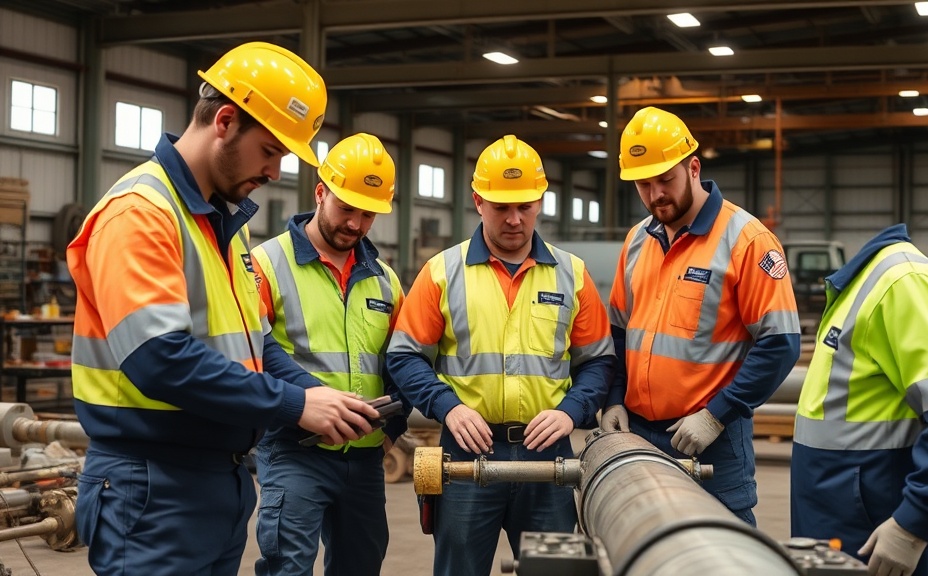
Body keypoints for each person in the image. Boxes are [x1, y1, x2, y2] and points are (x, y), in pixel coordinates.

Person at [67, 42, 380, 576]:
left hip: (219, 481)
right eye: (271, 151)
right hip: (152, 484)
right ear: (226, 121)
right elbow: (158, 357)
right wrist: (292, 406)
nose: (277, 171)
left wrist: (314, 393)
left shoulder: (224, 227)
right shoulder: (142, 212)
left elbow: (256, 346)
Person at [387, 134, 615, 575]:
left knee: (551, 571)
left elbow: (599, 361)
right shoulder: (442, 272)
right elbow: (404, 357)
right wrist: (447, 407)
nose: (514, 220)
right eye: (500, 207)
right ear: (477, 201)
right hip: (468, 453)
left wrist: (571, 411)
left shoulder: (573, 275)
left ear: (540, 202)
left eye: (525, 207)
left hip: (549, 454)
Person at [601, 106, 801, 526]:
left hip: (713, 439)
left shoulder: (747, 240)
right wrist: (614, 398)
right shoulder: (637, 240)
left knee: (723, 551)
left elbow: (780, 343)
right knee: (645, 547)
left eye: (665, 180)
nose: (656, 194)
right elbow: (618, 333)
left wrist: (716, 414)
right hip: (638, 432)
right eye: (643, 184)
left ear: (693, 168)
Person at [791, 223, 928, 576]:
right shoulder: (863, 285)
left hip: (879, 532)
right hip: (849, 525)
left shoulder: (904, 285)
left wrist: (913, 524)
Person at [250, 133, 406, 576]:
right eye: (346, 208)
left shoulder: (385, 281)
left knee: (361, 565)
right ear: (320, 193)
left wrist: (392, 426)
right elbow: (254, 348)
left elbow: (404, 362)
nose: (356, 224)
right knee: (288, 567)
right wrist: (316, 401)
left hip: (365, 457)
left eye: (368, 214)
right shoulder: (266, 264)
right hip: (296, 449)